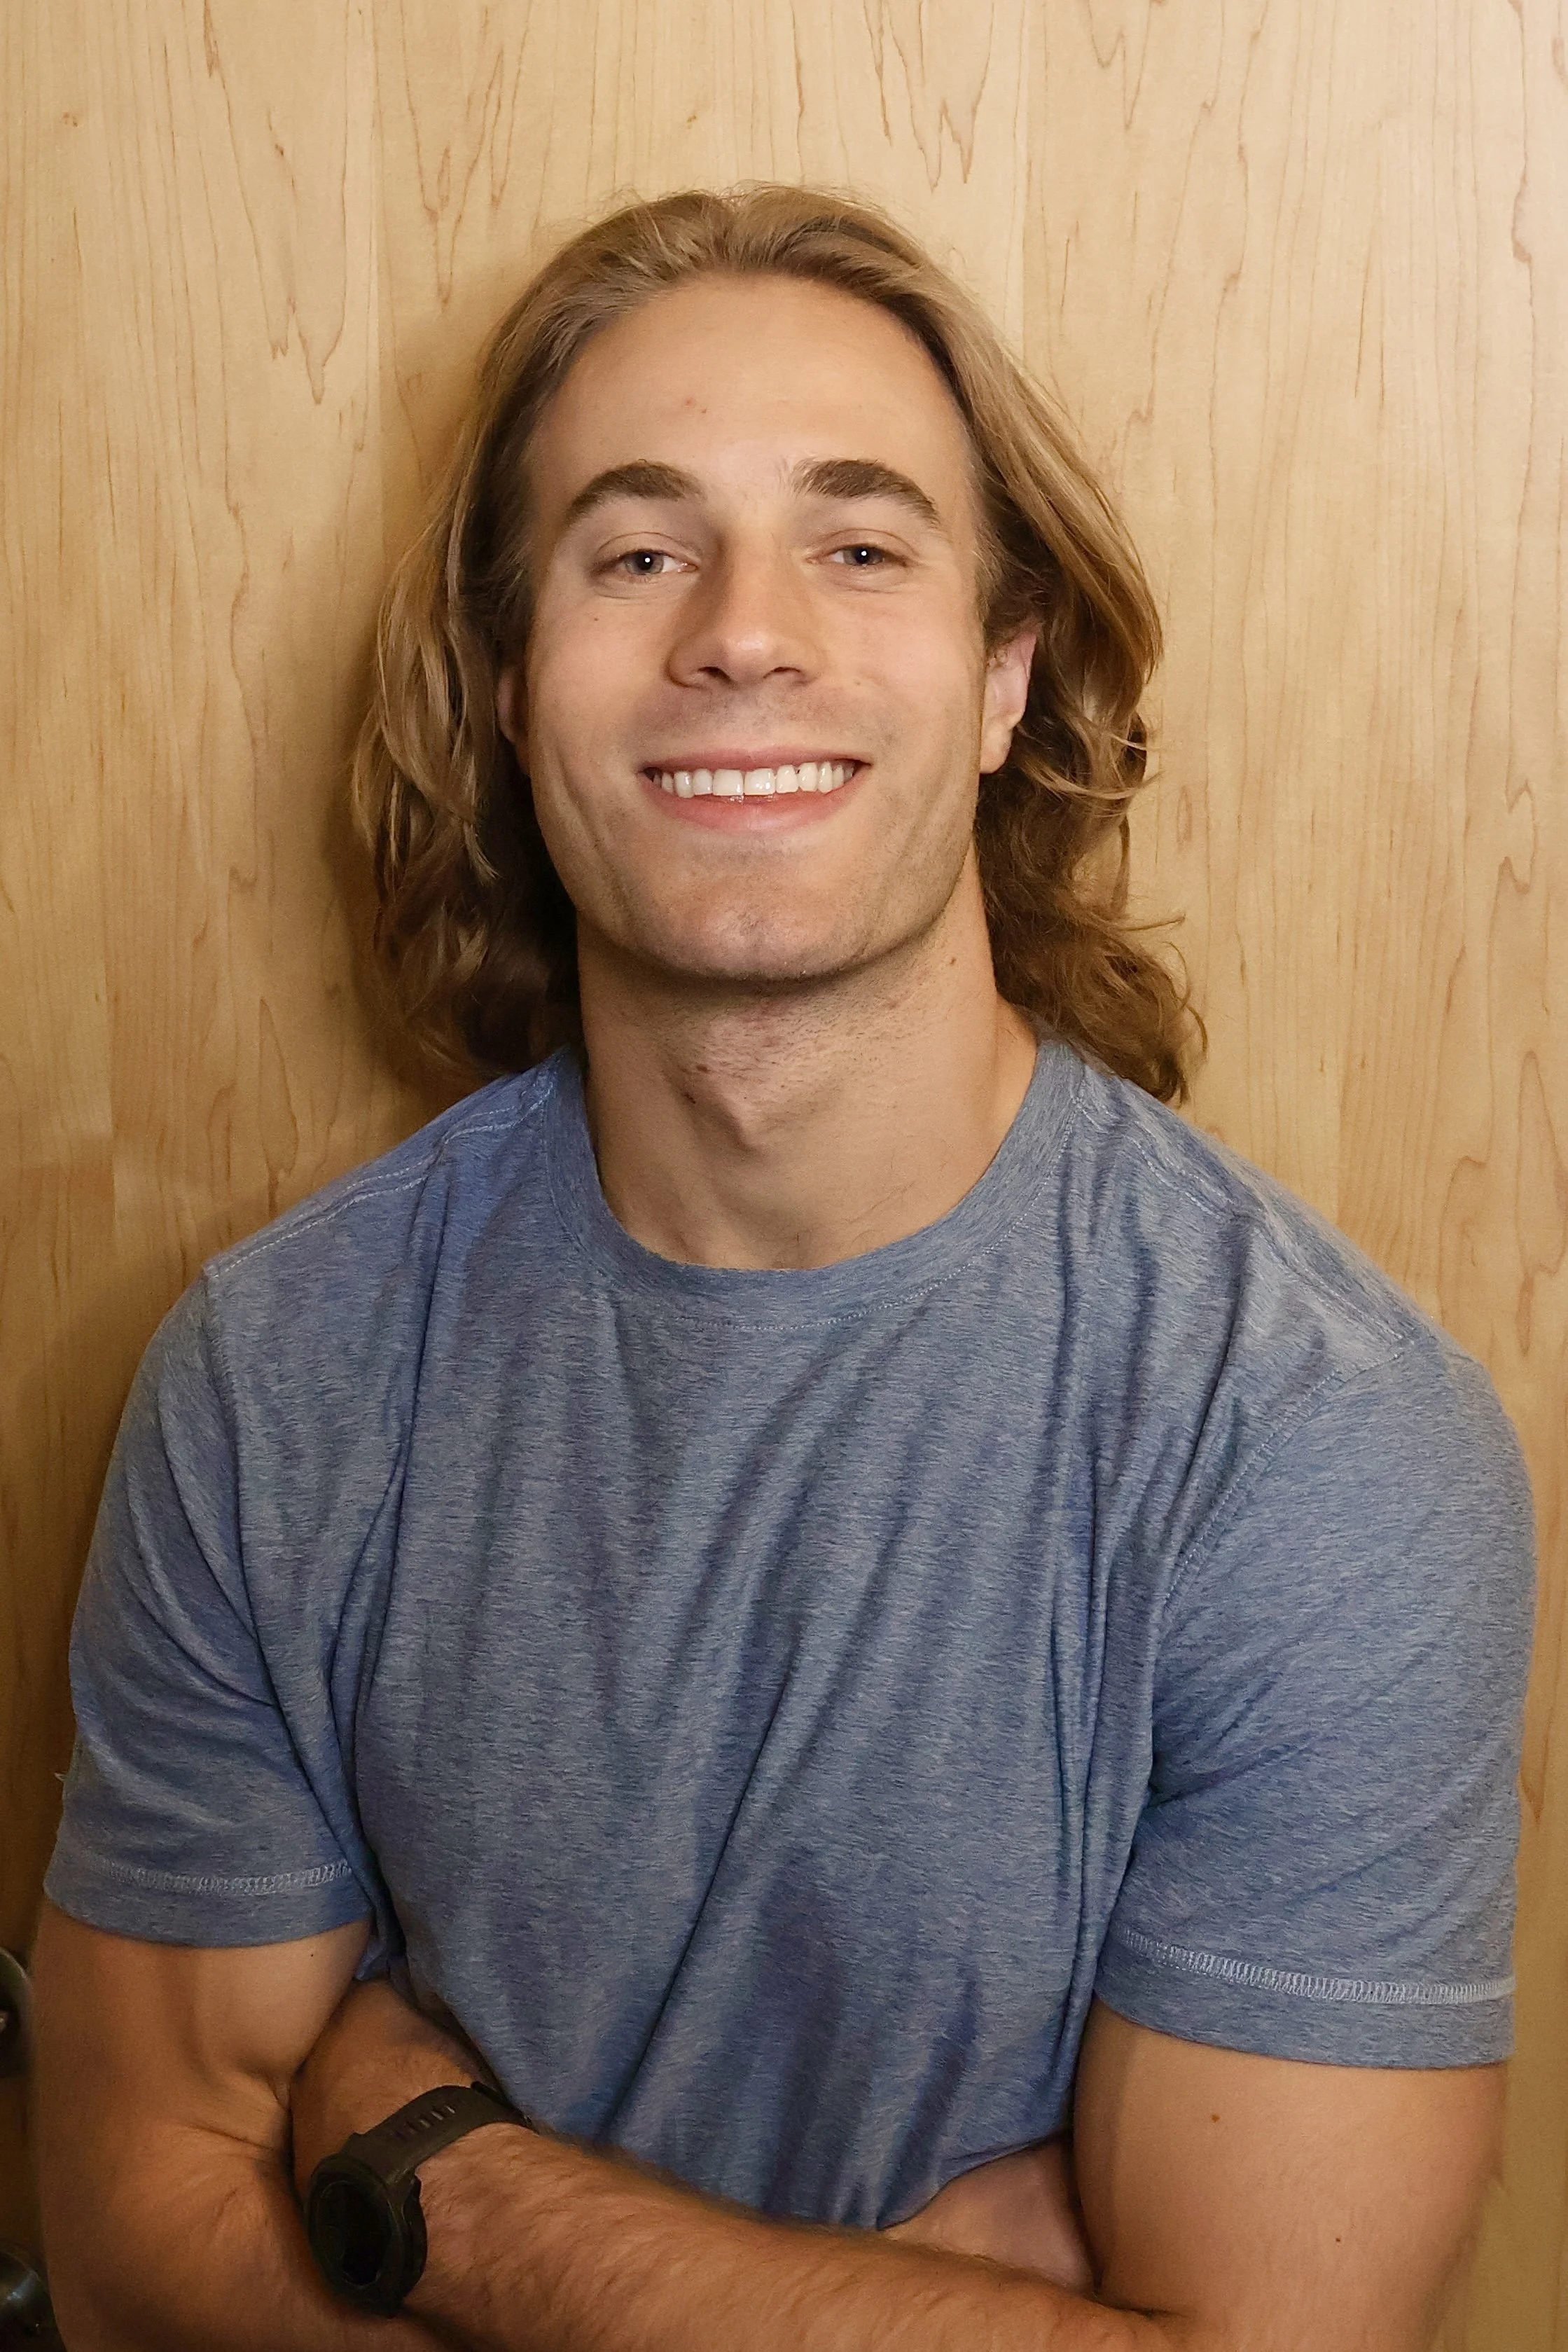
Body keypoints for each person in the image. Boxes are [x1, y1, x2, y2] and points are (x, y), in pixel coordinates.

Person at [33, 184, 1534, 2352]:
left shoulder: (1313, 1444)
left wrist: (448, 2188)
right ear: (507, 683)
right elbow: (135, 2262)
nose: (743, 633)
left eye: (859, 544)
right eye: (636, 551)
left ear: (1005, 672)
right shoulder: (275, 1378)